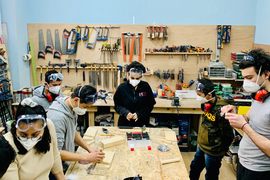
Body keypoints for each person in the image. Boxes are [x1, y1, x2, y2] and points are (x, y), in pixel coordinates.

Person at [222, 48, 270, 180]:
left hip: (260, 171)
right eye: (244, 78)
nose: (246, 83)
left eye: (249, 78)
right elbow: (247, 118)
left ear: (266, 74)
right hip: (244, 163)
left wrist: (243, 126)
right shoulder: (260, 95)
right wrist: (235, 114)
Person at [1, 98, 65, 180]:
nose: (29, 139)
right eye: (23, 135)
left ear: (44, 129)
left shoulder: (49, 126)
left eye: (35, 135)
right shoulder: (6, 147)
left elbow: (55, 158)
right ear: (16, 126)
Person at [47, 85, 105, 172]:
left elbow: (72, 131)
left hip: (65, 164)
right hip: (56, 170)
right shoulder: (57, 118)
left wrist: (89, 149)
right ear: (76, 100)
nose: (85, 110)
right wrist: (86, 156)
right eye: (85, 107)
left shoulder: (72, 107)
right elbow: (55, 153)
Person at [190, 78, 234, 180]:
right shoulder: (206, 104)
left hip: (214, 150)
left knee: (210, 176)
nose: (198, 97)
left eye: (199, 95)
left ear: (209, 95)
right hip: (202, 146)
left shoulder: (221, 110)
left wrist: (224, 148)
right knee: (194, 169)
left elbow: (227, 133)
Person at [114, 61, 156, 127]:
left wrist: (139, 114)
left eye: (137, 78)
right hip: (125, 123)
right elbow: (117, 105)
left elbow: (150, 104)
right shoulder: (122, 88)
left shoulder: (145, 87)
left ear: (141, 77)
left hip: (142, 123)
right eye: (132, 78)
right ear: (128, 75)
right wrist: (126, 113)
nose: (135, 80)